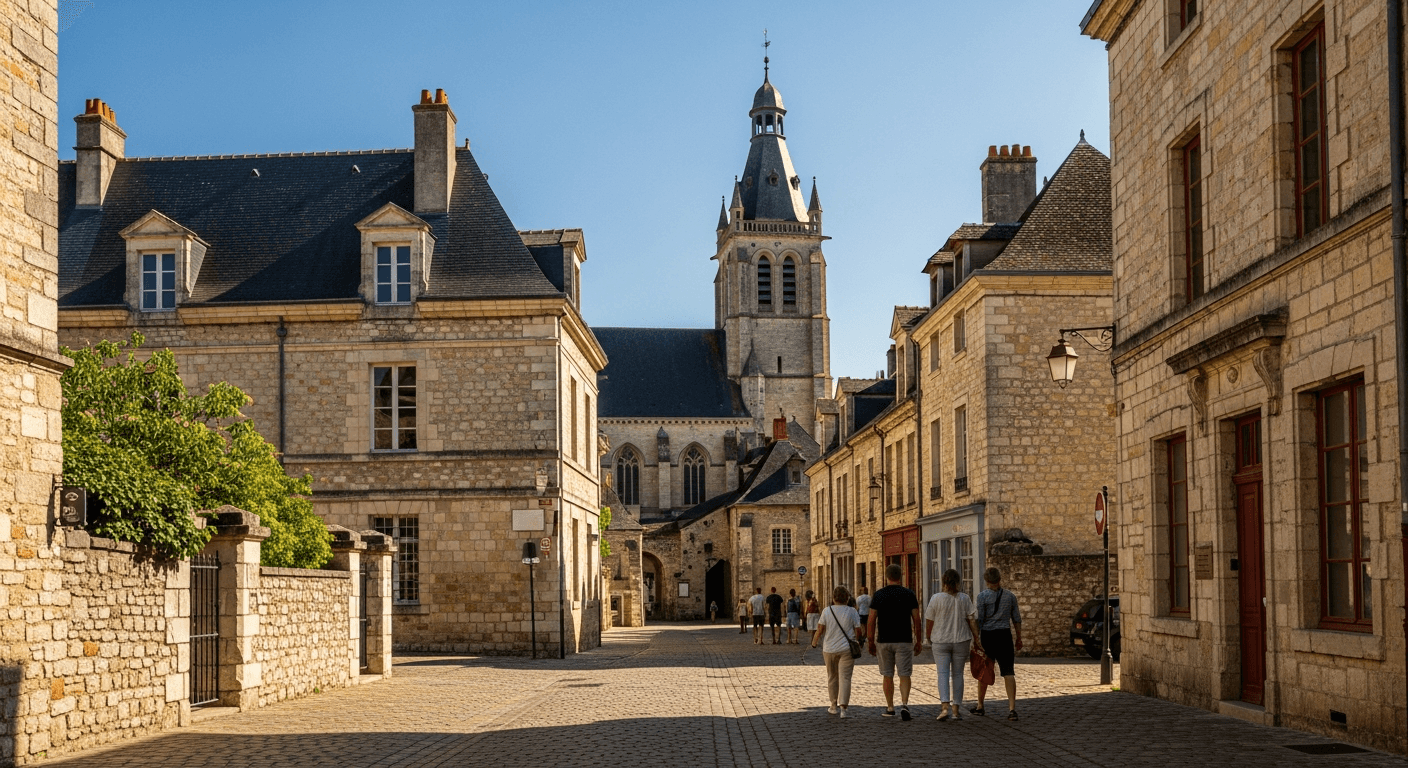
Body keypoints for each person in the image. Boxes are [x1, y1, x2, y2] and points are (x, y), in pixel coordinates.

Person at [924, 568, 982, 721]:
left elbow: (929, 620)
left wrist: (928, 636)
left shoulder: (936, 598)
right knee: (958, 674)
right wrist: (976, 638)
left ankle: (944, 707)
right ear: (958, 582)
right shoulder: (964, 598)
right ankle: (956, 710)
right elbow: (971, 620)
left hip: (940, 640)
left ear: (943, 582)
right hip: (961, 640)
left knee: (942, 673)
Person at [867, 563, 922, 720]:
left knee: (887, 675)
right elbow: (916, 619)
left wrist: (870, 641)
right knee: (904, 674)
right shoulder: (909, 594)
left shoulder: (879, 595)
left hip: (884, 640)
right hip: (903, 639)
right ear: (901, 575)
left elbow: (871, 620)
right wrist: (918, 640)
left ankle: (890, 707)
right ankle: (904, 704)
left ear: (886, 576)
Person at [972, 566, 1023, 720]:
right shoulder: (1010, 596)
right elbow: (1016, 618)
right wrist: (1019, 637)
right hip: (1004, 635)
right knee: (1008, 672)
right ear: (999, 579)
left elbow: (980, 619)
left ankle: (980, 705)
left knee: (984, 670)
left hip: (988, 636)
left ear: (987, 581)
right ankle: (1012, 708)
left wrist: (976, 638)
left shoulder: (982, 597)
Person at [810, 584, 863, 718]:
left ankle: (833, 705)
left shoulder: (827, 611)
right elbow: (858, 630)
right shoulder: (852, 611)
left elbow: (820, 629)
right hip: (847, 649)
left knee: (832, 677)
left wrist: (814, 642)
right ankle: (844, 708)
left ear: (834, 598)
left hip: (829, 649)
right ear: (847, 598)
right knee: (845, 677)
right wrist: (859, 641)